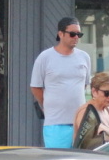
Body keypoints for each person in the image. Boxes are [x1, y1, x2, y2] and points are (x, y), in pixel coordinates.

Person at [30, 17, 92, 148]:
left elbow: (84, 85)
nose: (76, 37)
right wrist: (47, 104)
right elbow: (36, 87)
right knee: (58, 159)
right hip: (55, 122)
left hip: (80, 121)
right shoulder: (45, 57)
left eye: (79, 34)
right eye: (72, 34)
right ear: (60, 34)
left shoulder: (84, 57)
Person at [73, 72, 109, 149]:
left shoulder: (107, 108)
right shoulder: (86, 111)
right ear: (94, 92)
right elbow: (89, 141)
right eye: (107, 93)